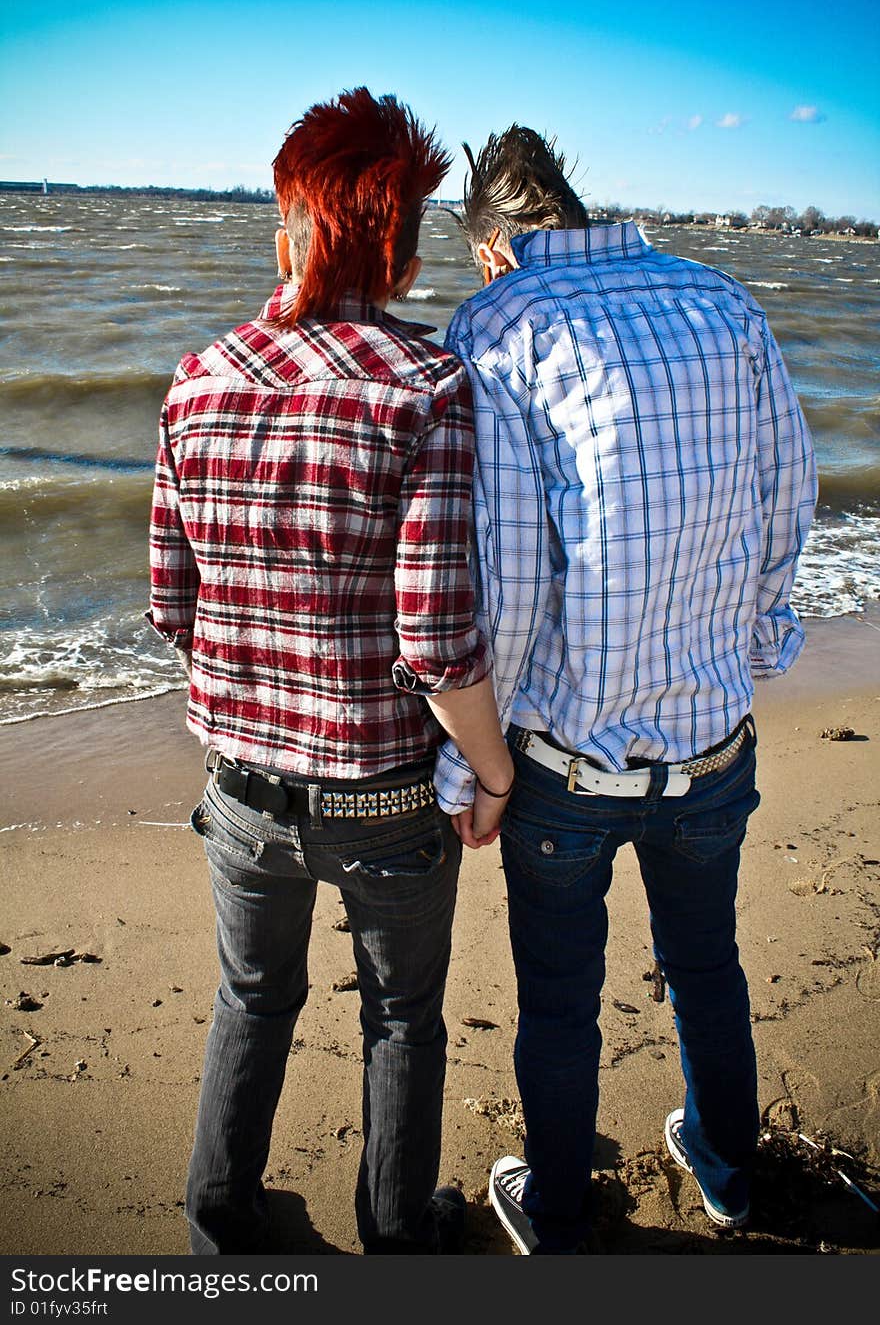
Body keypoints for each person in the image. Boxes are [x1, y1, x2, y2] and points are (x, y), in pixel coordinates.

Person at [434, 126, 818, 1253]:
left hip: (566, 765)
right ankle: (729, 1171)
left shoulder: (498, 324)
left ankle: (555, 1212)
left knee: (560, 1000)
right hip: (712, 741)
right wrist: (751, 644)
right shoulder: (720, 300)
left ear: (493, 247)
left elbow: (499, 578)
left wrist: (474, 760)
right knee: (707, 962)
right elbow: (783, 493)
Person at [147, 88, 513, 1256]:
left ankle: (222, 1223)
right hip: (386, 795)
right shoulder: (428, 385)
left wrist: (258, 678)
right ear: (401, 256)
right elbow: (436, 636)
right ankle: (399, 1232)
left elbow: (171, 604)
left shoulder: (196, 378)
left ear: (292, 230)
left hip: (243, 786)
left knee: (252, 996)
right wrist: (493, 770)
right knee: (402, 1014)